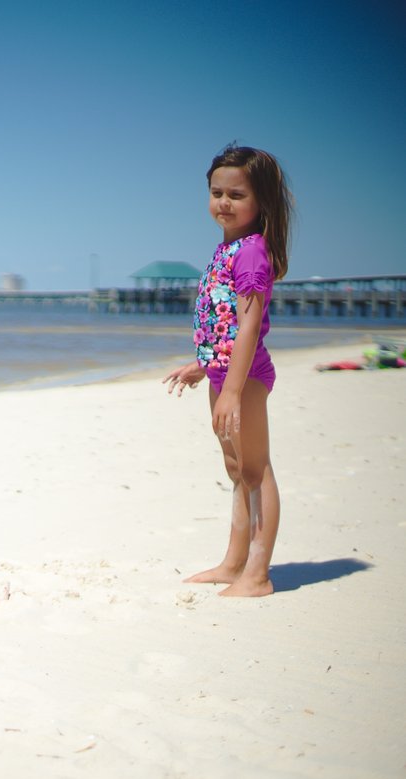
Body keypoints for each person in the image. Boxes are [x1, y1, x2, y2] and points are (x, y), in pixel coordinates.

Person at [164, 143, 293, 597]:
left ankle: (257, 574)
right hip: (223, 375)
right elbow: (221, 320)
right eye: (217, 192)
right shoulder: (227, 248)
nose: (224, 202)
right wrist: (203, 366)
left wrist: (235, 390)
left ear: (261, 201)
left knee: (257, 470)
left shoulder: (253, 252)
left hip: (247, 378)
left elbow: (249, 326)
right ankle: (233, 562)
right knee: (236, 467)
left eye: (236, 195)